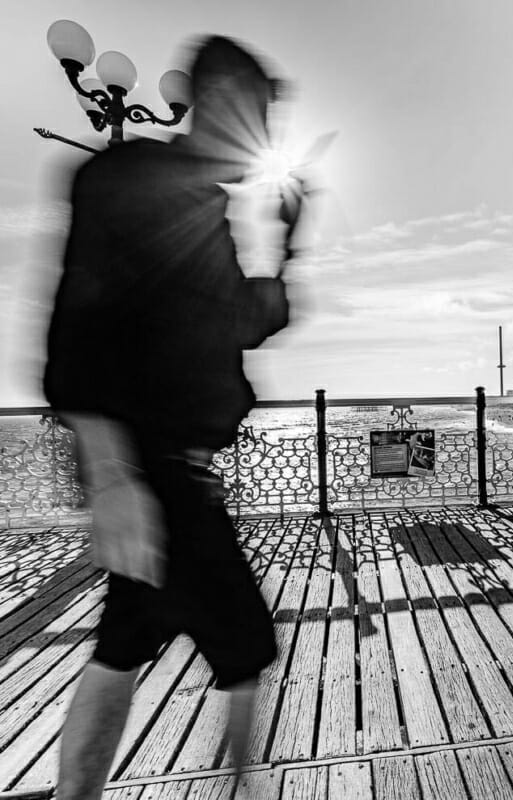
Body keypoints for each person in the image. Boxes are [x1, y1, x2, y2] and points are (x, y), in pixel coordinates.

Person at [44, 37, 303, 800]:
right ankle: (245, 788)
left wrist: (287, 242)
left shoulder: (203, 210)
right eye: (257, 118)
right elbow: (74, 336)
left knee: (121, 647)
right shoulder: (129, 178)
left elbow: (245, 322)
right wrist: (113, 478)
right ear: (220, 105)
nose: (262, 139)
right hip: (148, 471)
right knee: (245, 643)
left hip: (167, 471)